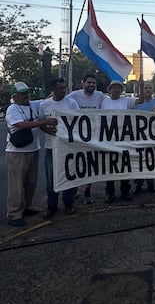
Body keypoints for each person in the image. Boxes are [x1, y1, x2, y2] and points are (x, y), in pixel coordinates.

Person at [5, 82, 57, 227]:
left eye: (27, 93)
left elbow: (49, 98)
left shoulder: (33, 105)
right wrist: (45, 121)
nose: (26, 96)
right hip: (17, 153)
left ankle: (26, 207)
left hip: (33, 150)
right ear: (14, 96)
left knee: (30, 183)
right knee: (17, 185)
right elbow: (21, 125)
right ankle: (14, 214)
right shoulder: (12, 109)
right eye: (22, 94)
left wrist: (56, 90)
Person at [39, 78, 80, 218]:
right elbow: (40, 122)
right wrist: (46, 129)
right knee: (51, 179)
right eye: (61, 88)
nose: (64, 90)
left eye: (65, 87)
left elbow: (79, 121)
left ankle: (68, 204)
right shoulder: (44, 105)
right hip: (51, 148)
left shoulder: (72, 103)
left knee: (68, 177)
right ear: (53, 89)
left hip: (68, 147)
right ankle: (52, 206)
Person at [69, 73, 105, 204]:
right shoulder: (73, 96)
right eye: (89, 82)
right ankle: (74, 189)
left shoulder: (100, 96)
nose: (91, 85)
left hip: (94, 137)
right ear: (82, 83)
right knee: (76, 164)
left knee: (91, 164)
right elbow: (61, 103)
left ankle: (88, 191)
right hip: (77, 136)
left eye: (93, 83)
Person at [101, 80, 136, 203]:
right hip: (109, 140)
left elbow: (141, 100)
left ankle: (125, 191)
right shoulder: (104, 102)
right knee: (110, 167)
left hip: (124, 139)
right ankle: (109, 192)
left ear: (121, 90)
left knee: (124, 166)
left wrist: (141, 86)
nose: (116, 89)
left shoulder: (126, 101)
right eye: (113, 87)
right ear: (109, 90)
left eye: (118, 87)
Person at [133, 80, 155, 194]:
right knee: (138, 161)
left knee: (150, 161)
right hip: (138, 137)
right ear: (142, 90)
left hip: (152, 138)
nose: (148, 90)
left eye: (150, 88)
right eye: (146, 88)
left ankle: (151, 183)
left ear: (152, 89)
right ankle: (138, 184)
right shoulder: (135, 104)